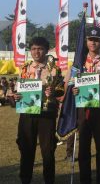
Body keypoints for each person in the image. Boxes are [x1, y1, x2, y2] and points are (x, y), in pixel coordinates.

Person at [14, 37, 64, 184]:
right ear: (30, 50)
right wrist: (16, 96)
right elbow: (18, 90)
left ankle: (49, 180)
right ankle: (25, 179)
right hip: (27, 113)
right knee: (26, 149)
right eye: (34, 48)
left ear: (46, 50)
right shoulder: (24, 68)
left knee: (48, 151)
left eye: (40, 48)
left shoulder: (55, 69)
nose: (37, 52)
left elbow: (61, 91)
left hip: (47, 115)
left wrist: (53, 92)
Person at [70, 26, 100, 184]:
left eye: (96, 40)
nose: (93, 43)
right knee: (83, 149)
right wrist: (74, 89)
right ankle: (85, 180)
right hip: (83, 109)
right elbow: (70, 84)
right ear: (86, 41)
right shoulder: (79, 61)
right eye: (90, 39)